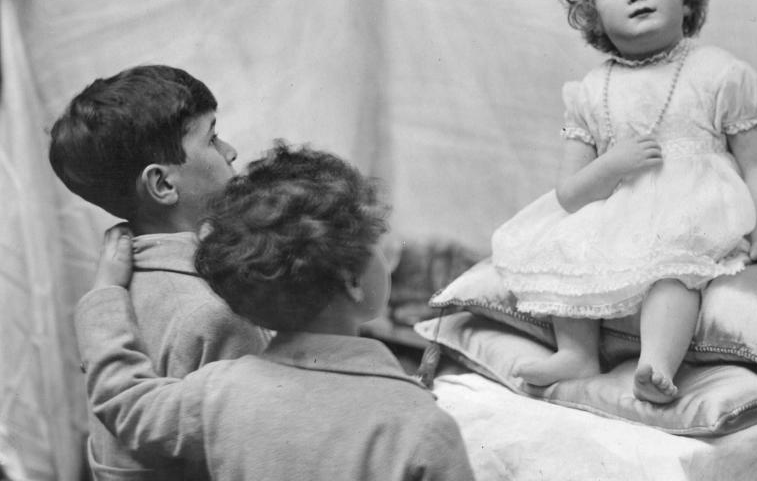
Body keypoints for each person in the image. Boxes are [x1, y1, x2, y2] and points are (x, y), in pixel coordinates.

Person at [491, 0, 757, 403]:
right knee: (565, 245)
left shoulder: (716, 73)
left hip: (695, 206)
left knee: (672, 268)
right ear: (594, 15)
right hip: (619, 208)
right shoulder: (591, 91)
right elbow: (570, 195)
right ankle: (577, 352)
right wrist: (613, 164)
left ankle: (656, 362)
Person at [74, 141, 477, 481]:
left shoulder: (218, 393)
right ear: (351, 281)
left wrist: (106, 294)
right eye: (378, 243)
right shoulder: (422, 428)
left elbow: (125, 402)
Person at [50, 64, 272, 480]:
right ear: (162, 184)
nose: (231, 150)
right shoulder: (216, 314)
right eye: (212, 137)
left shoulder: (119, 283)